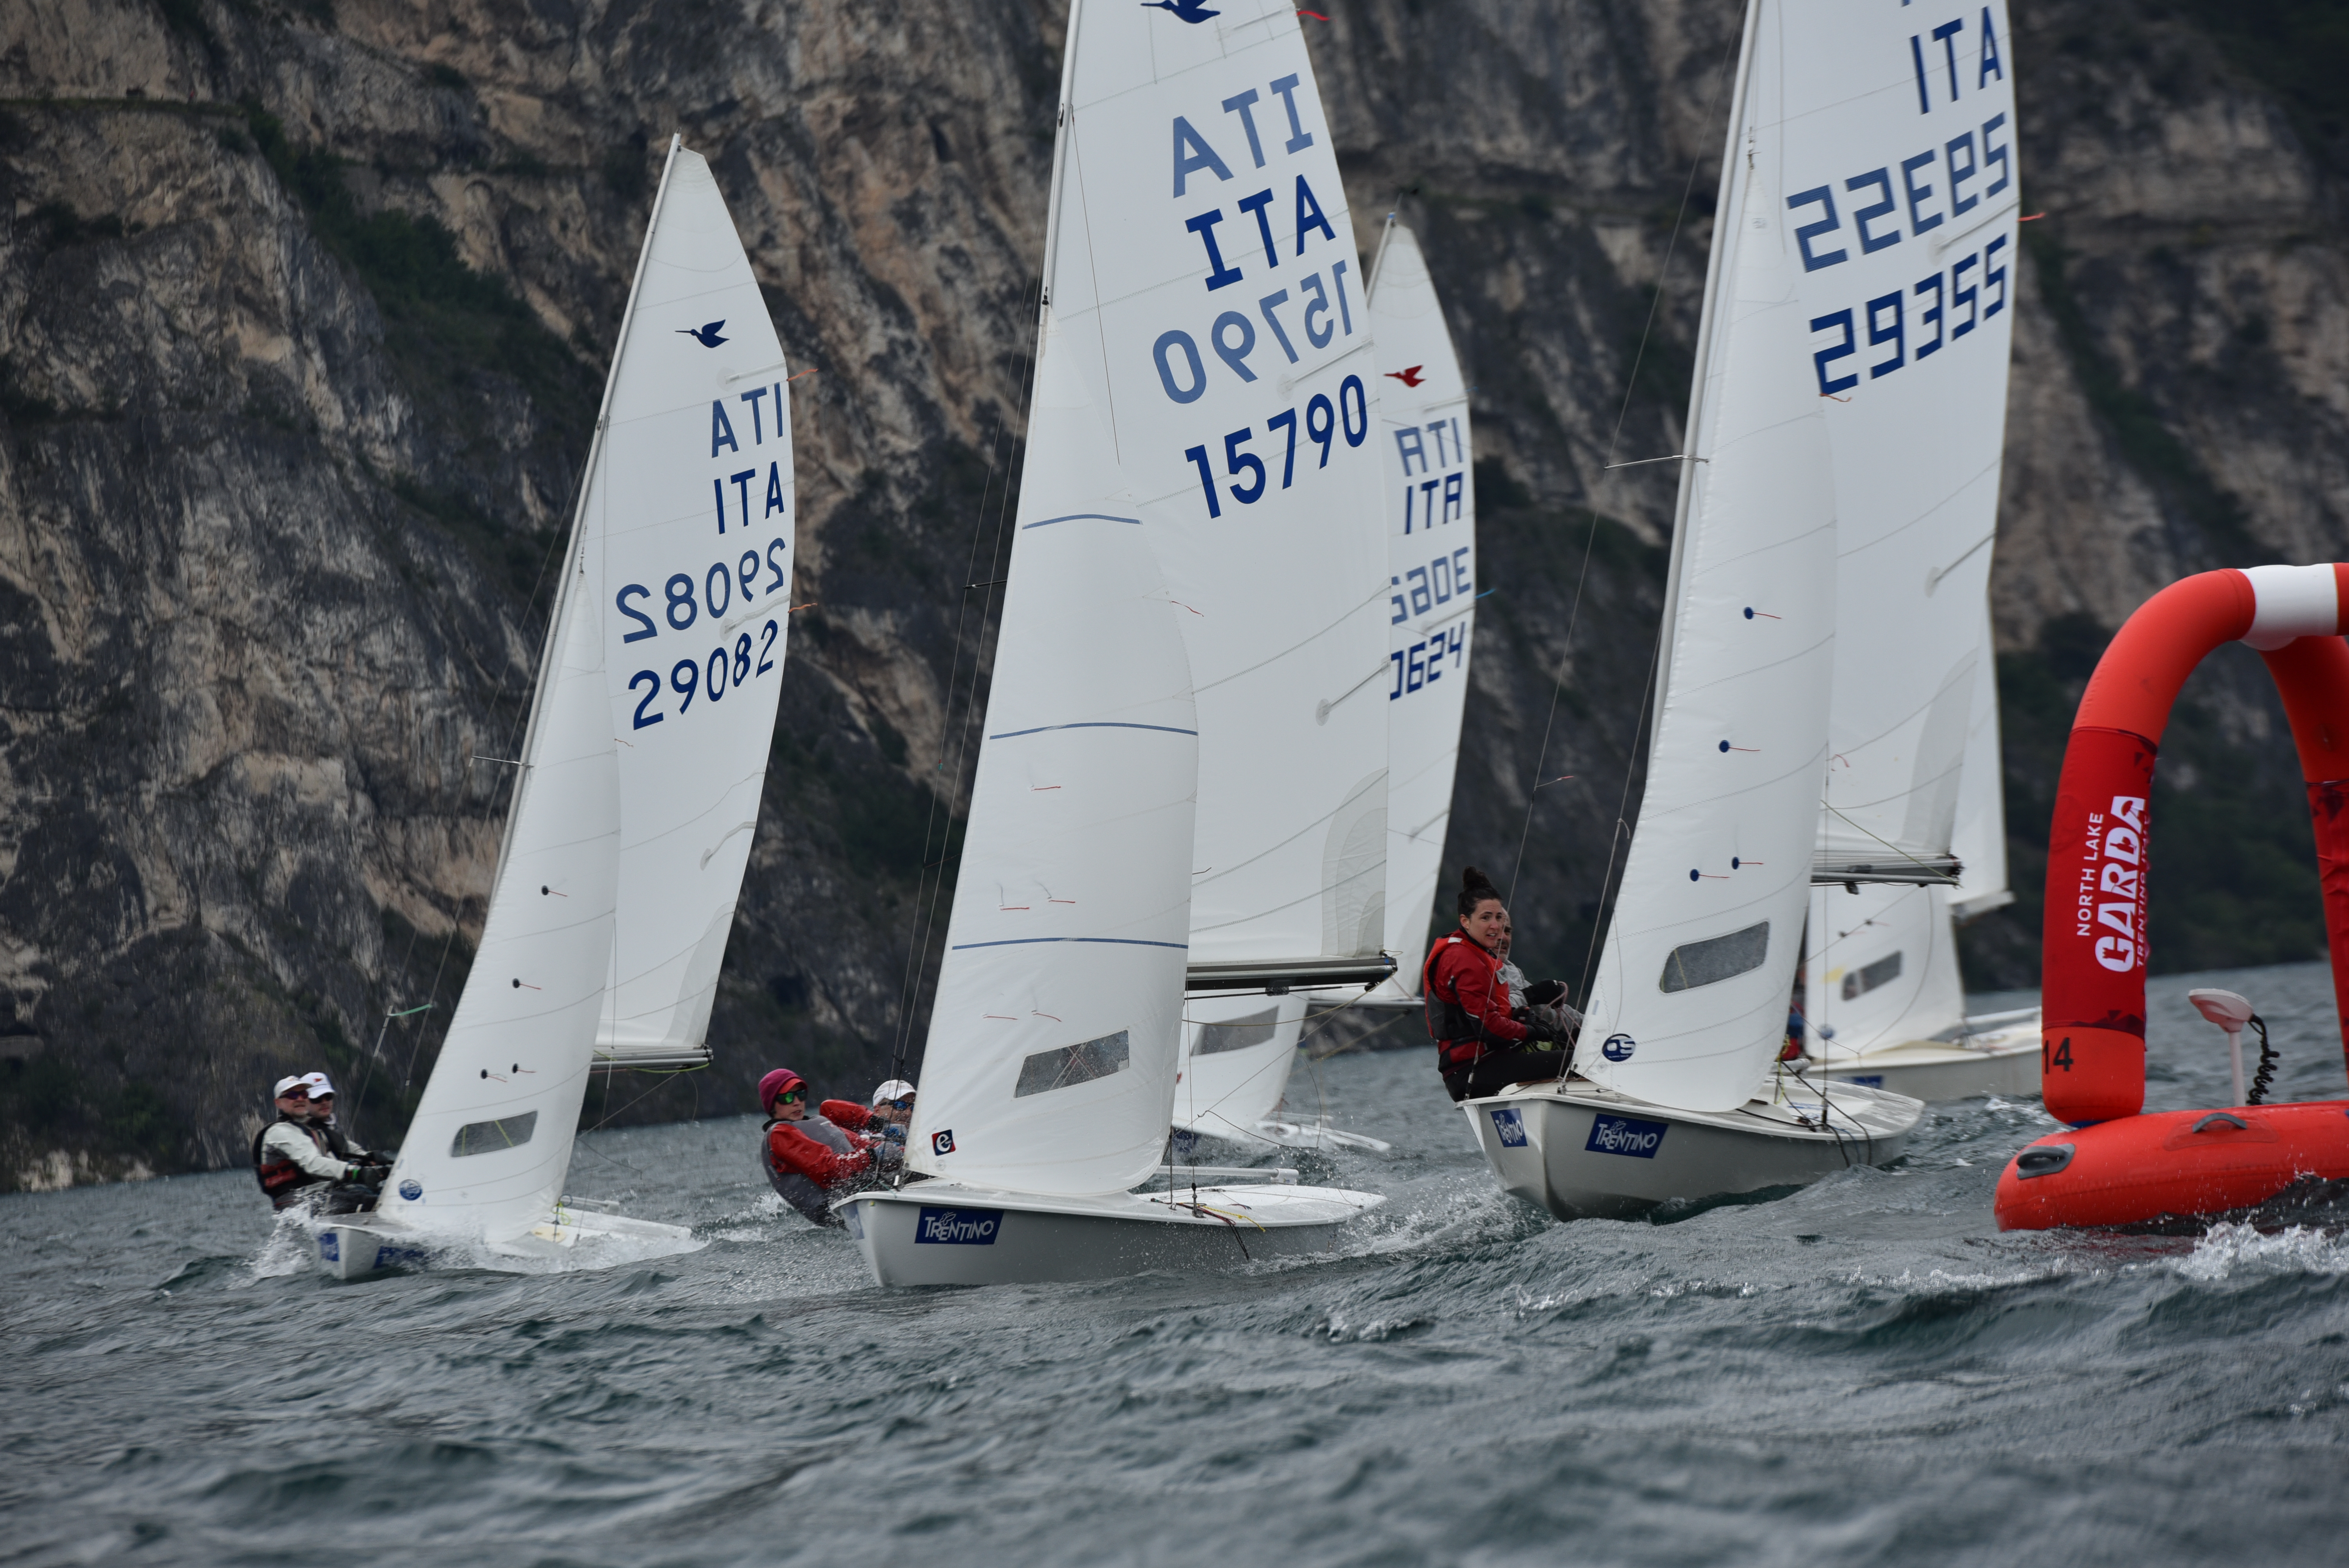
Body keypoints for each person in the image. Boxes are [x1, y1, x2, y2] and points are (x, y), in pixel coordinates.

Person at [1425, 867, 1575, 1103]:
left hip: (1484, 1063)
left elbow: (1496, 1014)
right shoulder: (1464, 959)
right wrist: (1531, 1031)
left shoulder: (1478, 955)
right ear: (1465, 921)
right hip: (1473, 1071)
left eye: (1498, 918)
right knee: (1580, 1063)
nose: (1495, 927)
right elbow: (1489, 1028)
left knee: (1570, 1056)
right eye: (1486, 918)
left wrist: (1523, 1018)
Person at [760, 1068, 899, 1226]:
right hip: (839, 1209)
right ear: (772, 1105)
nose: (797, 1102)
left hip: (864, 1189)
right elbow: (828, 1169)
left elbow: (860, 1145)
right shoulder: (779, 1135)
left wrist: (891, 1142)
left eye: (801, 1095)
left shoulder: (816, 1123)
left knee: (828, 1107)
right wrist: (873, 1155)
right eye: (788, 1098)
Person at [252, 1076, 388, 1213]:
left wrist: (369, 1158)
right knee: (371, 1201)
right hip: (297, 1203)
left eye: (304, 1094)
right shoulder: (279, 1132)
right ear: (278, 1103)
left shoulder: (314, 1129)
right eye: (293, 1095)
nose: (300, 1099)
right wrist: (355, 1172)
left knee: (384, 1194)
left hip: (321, 1195)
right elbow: (313, 1163)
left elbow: (348, 1150)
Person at [298, 1072, 390, 1166]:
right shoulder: (302, 1132)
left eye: (328, 1097)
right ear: (304, 1101)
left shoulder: (331, 1126)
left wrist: (369, 1156)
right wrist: (355, 1167)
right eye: (317, 1099)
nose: (325, 1103)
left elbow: (349, 1147)